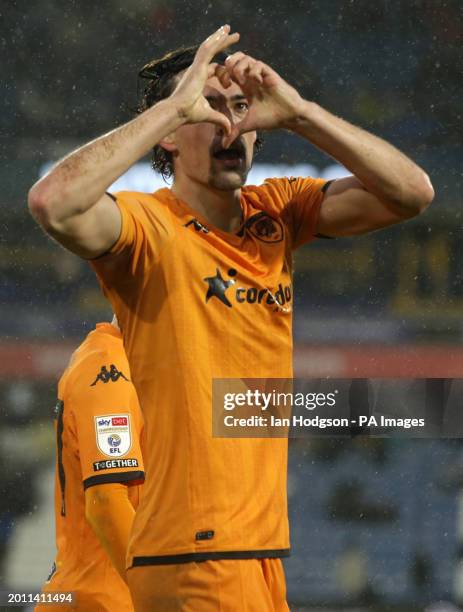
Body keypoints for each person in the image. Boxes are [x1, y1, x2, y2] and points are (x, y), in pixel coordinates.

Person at [28, 25, 434, 611]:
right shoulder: (146, 227)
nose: (229, 126)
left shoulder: (278, 213)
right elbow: (52, 202)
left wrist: (300, 114)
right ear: (169, 137)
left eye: (239, 108)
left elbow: (411, 193)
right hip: (194, 554)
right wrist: (171, 109)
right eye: (209, 109)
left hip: (259, 549)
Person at [35, 319, 144, 612]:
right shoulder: (109, 369)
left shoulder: (134, 362)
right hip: (103, 597)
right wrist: (159, 594)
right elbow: (107, 503)